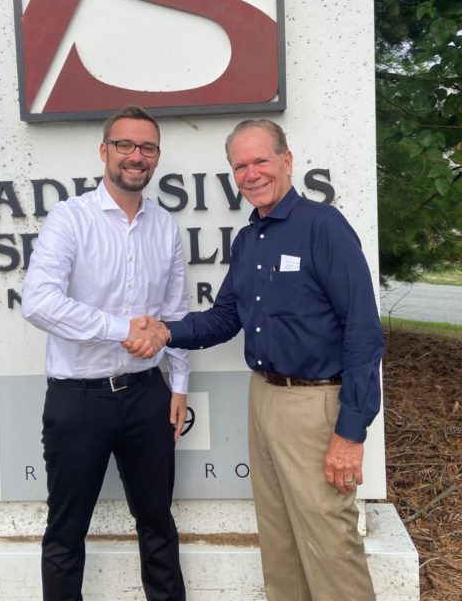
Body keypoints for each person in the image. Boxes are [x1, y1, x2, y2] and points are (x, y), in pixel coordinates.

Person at [126, 118, 384, 601]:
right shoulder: (249, 241)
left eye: (260, 160)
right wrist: (164, 331)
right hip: (262, 397)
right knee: (279, 539)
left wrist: (351, 432)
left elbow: (364, 333)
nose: (251, 173)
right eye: (240, 165)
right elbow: (225, 318)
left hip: (317, 404)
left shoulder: (322, 227)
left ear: (287, 161)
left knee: (330, 543)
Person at [22, 105, 189, 601]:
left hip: (146, 397)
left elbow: (174, 316)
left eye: (147, 148)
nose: (136, 157)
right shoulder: (69, 219)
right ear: (105, 152)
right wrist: (120, 329)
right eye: (125, 146)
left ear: (156, 157)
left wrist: (178, 384)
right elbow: (39, 302)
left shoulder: (166, 227)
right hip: (78, 401)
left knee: (158, 524)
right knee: (66, 532)